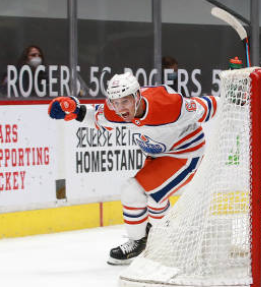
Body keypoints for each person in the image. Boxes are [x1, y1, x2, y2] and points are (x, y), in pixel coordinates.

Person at [47, 72, 218, 265]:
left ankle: (138, 243)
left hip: (185, 152)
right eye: (115, 102)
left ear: (137, 97)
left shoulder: (168, 104)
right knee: (155, 201)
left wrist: (237, 101)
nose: (120, 109)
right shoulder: (116, 110)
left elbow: (207, 106)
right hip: (158, 155)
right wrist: (73, 109)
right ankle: (167, 237)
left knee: (133, 190)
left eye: (125, 102)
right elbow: (98, 115)